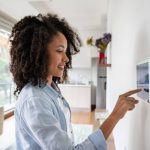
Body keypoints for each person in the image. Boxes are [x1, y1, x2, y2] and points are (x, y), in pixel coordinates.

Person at [9, 13, 141, 150]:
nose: (66, 59)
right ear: (39, 53)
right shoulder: (35, 100)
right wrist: (114, 116)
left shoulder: (50, 89)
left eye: (66, 51)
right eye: (60, 50)